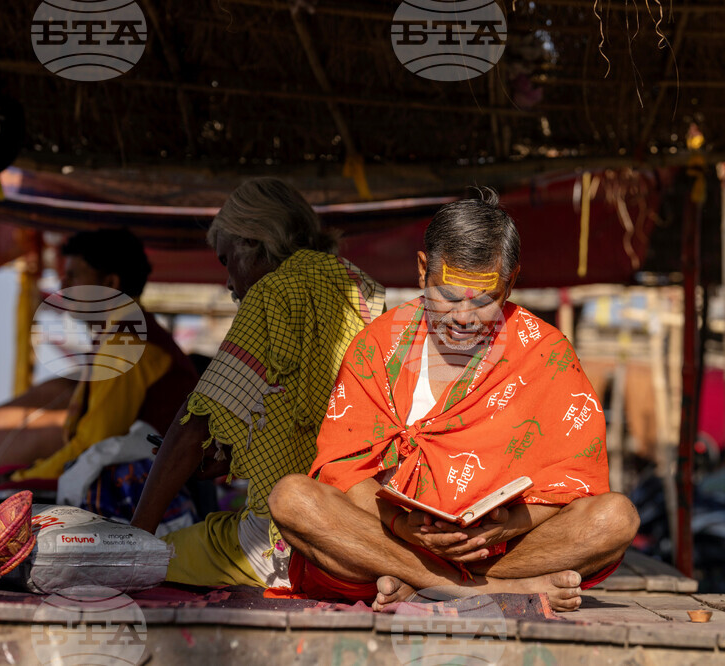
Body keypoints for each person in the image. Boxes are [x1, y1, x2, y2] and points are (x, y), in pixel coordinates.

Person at [269, 189, 639, 612]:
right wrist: (402, 525)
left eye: (484, 300)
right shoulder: (377, 345)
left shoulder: (545, 351)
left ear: (511, 281)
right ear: (423, 269)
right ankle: (469, 591)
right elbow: (341, 468)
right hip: (393, 541)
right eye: (447, 295)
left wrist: (509, 525)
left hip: (501, 550)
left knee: (617, 518)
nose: (464, 318)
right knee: (291, 497)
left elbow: (574, 481)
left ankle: (425, 584)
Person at [131, 177, 385, 588]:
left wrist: (135, 536)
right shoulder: (361, 289)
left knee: (151, 559)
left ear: (254, 242)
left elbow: (195, 421)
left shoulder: (274, 292)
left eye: (226, 260)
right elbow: (314, 415)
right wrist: (228, 459)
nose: (228, 282)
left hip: (285, 545)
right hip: (357, 531)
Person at [0, 228, 198, 493]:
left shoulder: (126, 345)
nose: (63, 287)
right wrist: (16, 476)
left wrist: (16, 480)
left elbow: (92, 448)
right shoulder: (127, 335)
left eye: (74, 276)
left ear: (111, 283)